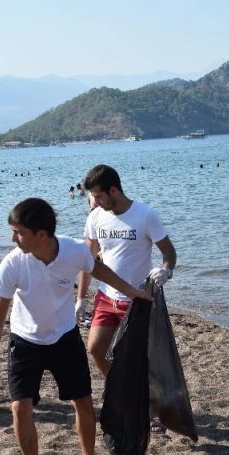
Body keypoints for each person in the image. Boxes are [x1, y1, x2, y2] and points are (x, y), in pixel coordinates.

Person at [0, 197, 152, 455]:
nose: (13, 238)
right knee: (20, 408)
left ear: (41, 234)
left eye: (18, 232)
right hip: (25, 341)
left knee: (83, 401)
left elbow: (100, 270)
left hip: (64, 337)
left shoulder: (73, 251)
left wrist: (134, 291)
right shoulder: (13, 262)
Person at [76, 164, 177, 433]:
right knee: (95, 350)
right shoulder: (96, 217)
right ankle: (126, 393)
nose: (94, 202)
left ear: (113, 190)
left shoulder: (145, 215)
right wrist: (80, 299)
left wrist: (166, 271)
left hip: (138, 300)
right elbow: (88, 261)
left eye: (98, 196)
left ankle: (147, 407)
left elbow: (169, 252)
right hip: (106, 296)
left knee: (138, 360)